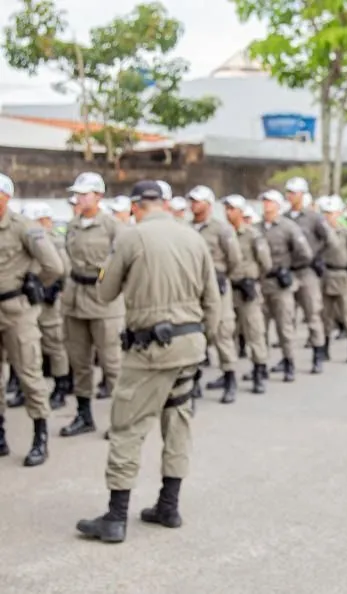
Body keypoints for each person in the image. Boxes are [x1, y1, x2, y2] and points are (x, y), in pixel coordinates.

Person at [76, 180, 220, 544]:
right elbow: (213, 301)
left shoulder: (130, 237)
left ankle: (115, 516)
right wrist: (206, 341)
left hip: (149, 351)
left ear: (137, 206)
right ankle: (168, 506)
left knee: (127, 426)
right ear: (166, 204)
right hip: (189, 346)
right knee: (178, 423)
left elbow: (105, 293)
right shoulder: (194, 238)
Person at [0, 174, 65, 466]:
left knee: (29, 374)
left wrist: (34, 284)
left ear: (5, 196)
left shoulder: (24, 228)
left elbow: (54, 265)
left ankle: (40, 437)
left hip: (17, 311)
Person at [60, 172, 125, 438]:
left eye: (84, 193)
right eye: (77, 193)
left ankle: (121, 420)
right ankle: (84, 415)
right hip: (75, 298)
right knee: (80, 362)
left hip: (103, 300)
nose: (79, 198)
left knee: (112, 363)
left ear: (98, 195)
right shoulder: (73, 224)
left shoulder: (112, 226)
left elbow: (123, 261)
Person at [188, 185, 242, 404]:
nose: (193, 205)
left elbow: (234, 259)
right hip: (193, 287)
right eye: (191, 201)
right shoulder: (187, 228)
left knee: (222, 331)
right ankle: (194, 379)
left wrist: (221, 276)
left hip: (217, 286)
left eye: (197, 201)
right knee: (195, 331)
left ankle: (230, 378)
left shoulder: (221, 229)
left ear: (208, 204)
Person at [256, 190, 313, 382]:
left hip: (281, 284)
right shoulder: (256, 228)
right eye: (264, 202)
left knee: (284, 327)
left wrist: (290, 270)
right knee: (259, 328)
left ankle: (289, 362)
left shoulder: (289, 227)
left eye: (270, 202)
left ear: (278, 206)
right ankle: (260, 365)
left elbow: (304, 253)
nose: (267, 206)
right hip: (261, 283)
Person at [222, 194, 271, 395]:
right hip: (227, 289)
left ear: (241, 212)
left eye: (232, 209)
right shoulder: (223, 233)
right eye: (226, 208)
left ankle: (259, 371)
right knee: (225, 333)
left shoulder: (252, 235)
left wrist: (253, 278)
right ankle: (228, 374)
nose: (228, 212)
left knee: (254, 331)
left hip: (247, 289)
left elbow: (266, 263)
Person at [27, 202, 71, 410]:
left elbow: (63, 270)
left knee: (55, 344)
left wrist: (55, 289)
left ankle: (61, 387)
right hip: (31, 297)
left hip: (49, 299)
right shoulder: (28, 240)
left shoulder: (54, 241)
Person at [283, 177, 329, 374]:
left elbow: (329, 239)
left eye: (294, 192)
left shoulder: (313, 217)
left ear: (302, 194)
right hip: (288, 272)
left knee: (312, 313)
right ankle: (288, 358)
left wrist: (317, 255)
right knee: (287, 317)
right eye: (288, 192)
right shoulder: (283, 218)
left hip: (307, 270)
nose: (290, 196)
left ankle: (318, 353)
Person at [320, 197, 347, 362]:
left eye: (331, 213)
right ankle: (324, 347)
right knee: (325, 315)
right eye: (325, 213)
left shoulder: (346, 232)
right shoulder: (320, 233)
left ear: (338, 214)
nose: (328, 217)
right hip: (326, 276)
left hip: (343, 276)